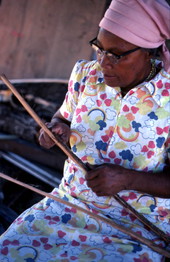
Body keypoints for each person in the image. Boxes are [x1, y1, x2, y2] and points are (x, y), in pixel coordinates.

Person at [0, 0, 170, 261]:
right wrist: (54, 130)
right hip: (68, 206)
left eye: (117, 54)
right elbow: (62, 118)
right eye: (99, 49)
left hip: (137, 226)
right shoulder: (85, 75)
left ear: (150, 52)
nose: (103, 62)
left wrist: (128, 180)